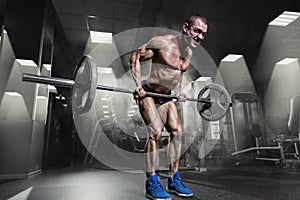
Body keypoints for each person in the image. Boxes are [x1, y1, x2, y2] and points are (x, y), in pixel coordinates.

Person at [130, 14, 208, 200]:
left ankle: (173, 179)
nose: (200, 37)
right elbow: (135, 57)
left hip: (166, 97)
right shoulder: (162, 43)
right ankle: (151, 182)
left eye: (204, 34)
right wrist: (138, 87)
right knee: (155, 133)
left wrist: (179, 91)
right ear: (185, 28)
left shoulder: (189, 52)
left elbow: (178, 74)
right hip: (149, 93)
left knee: (177, 133)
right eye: (197, 31)